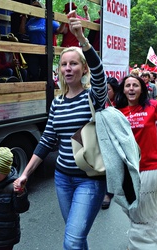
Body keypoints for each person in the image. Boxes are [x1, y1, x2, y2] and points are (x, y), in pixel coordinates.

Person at [14, 10, 107, 249]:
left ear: (83, 69)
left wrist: (81, 39)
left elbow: (100, 75)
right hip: (62, 179)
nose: (67, 68)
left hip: (90, 180)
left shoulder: (93, 97)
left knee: (72, 242)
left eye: (73, 63)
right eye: (63, 64)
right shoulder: (57, 102)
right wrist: (26, 174)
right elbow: (46, 140)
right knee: (76, 238)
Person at [115, 74, 157, 249]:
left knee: (141, 218)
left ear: (142, 89)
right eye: (128, 85)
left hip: (148, 168)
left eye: (135, 85)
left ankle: (156, 246)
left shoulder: (151, 106)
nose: (131, 88)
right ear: (123, 90)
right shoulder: (117, 112)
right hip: (127, 170)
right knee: (136, 211)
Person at [19, 1, 61, 81]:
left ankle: (43, 91)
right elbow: (22, 32)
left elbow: (58, 30)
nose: (35, 9)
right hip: (33, 50)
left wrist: (63, 22)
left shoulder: (46, 20)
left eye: (37, 7)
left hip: (44, 51)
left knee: (44, 73)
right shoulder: (31, 21)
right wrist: (24, 19)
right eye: (33, 7)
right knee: (33, 72)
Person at [101, 76, 119, 209]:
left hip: (115, 140)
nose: (105, 92)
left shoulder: (120, 104)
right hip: (102, 138)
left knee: (110, 167)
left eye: (108, 90)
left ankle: (108, 193)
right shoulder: (100, 101)